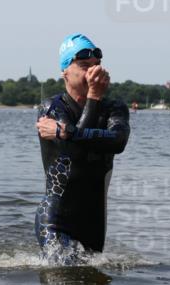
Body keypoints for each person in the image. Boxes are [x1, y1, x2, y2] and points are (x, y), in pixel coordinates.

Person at [35, 33, 129, 259]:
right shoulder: (52, 107)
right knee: (62, 281)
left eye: (96, 65)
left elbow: (118, 141)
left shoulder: (115, 108)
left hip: (94, 223)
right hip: (56, 219)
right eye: (85, 65)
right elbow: (74, 152)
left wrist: (67, 131)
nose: (93, 71)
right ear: (65, 71)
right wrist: (94, 98)